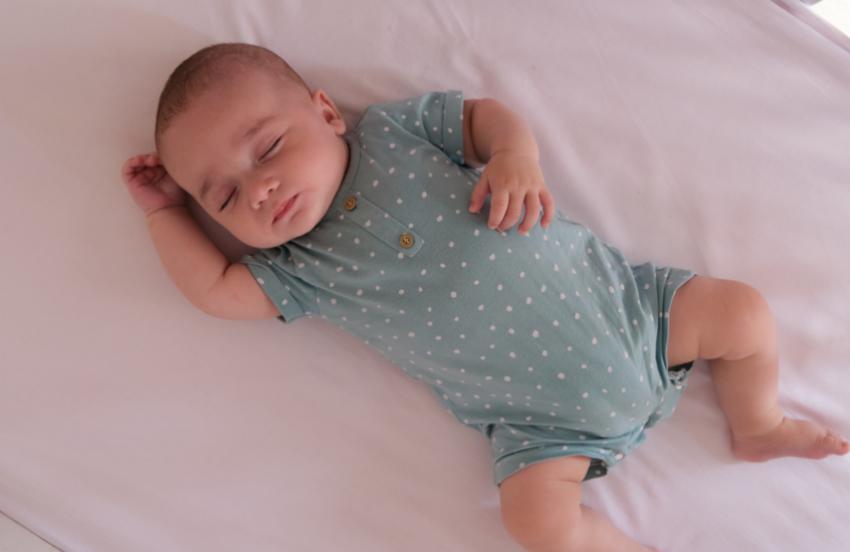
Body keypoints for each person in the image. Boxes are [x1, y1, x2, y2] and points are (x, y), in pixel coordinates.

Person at [121, 43, 848, 552]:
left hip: (636, 316)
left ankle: (758, 423)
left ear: (325, 112)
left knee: (743, 313)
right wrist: (163, 212)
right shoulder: (299, 269)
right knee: (535, 525)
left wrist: (515, 157)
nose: (260, 189)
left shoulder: (394, 133)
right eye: (223, 196)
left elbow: (485, 115)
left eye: (269, 148)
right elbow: (214, 290)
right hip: (542, 430)